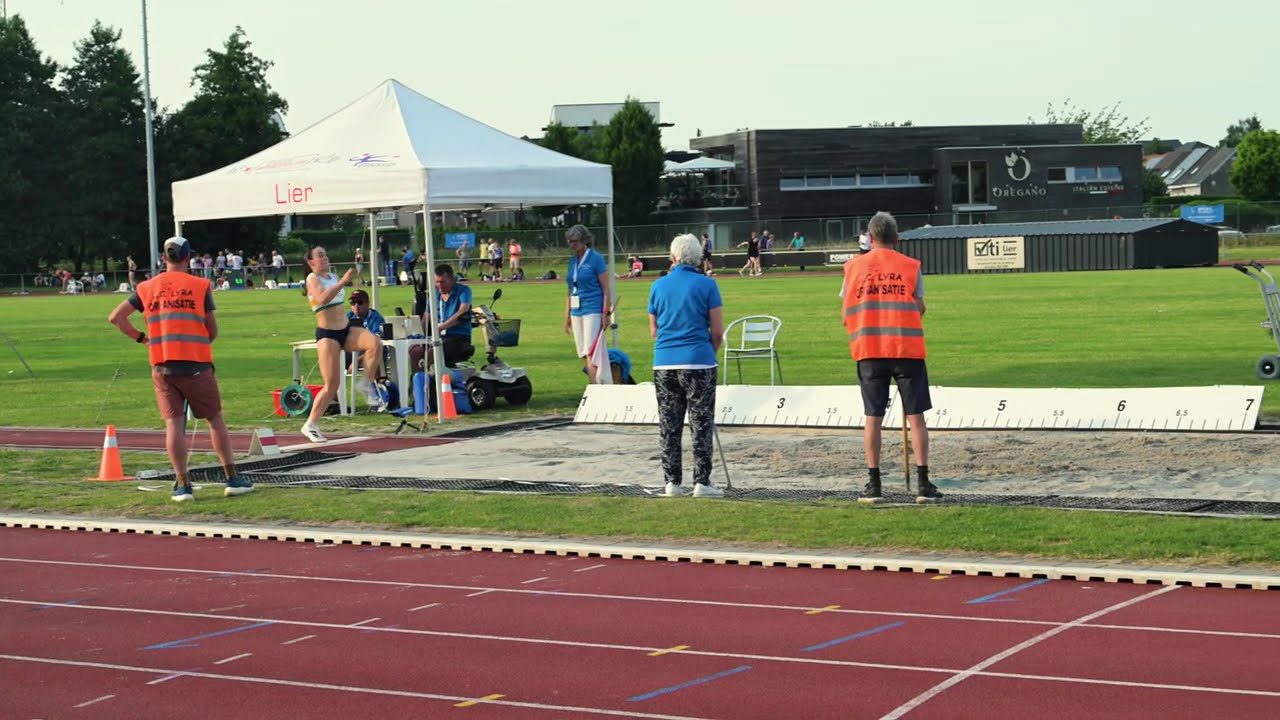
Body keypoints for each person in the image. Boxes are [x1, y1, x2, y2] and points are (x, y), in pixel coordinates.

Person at [107, 236, 253, 502]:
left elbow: (116, 317)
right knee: (215, 421)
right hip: (196, 364)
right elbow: (212, 330)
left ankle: (182, 484)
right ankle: (232, 478)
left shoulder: (146, 287)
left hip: (161, 365)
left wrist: (143, 339)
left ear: (164, 258)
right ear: (188, 257)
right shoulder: (200, 285)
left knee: (174, 425)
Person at [839, 211, 940, 503]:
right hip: (906, 349)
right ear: (896, 238)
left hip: (869, 350)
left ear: (870, 237)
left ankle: (874, 485)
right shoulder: (910, 266)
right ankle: (923, 484)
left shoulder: (853, 268)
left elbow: (846, 312)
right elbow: (920, 307)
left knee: (873, 418)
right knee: (916, 418)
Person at [648, 233, 725, 498]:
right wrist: (708, 353)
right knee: (701, 422)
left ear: (673, 257)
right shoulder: (707, 285)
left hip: (664, 362)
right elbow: (717, 331)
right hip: (698, 359)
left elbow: (654, 330)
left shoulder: (658, 286)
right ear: (698, 258)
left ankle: (672, 481)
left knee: (669, 424)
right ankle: (702, 481)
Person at [300, 245, 385, 443]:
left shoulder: (331, 276)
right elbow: (322, 299)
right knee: (332, 385)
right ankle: (310, 424)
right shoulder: (312, 279)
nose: (325, 258)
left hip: (346, 329)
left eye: (325, 254)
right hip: (328, 334)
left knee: (375, 343)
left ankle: (366, 383)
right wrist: (342, 282)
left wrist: (345, 280)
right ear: (311, 262)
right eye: (320, 256)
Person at [563, 224, 612, 384]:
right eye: (569, 241)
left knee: (591, 350)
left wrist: (606, 313)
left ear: (584, 240)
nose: (572, 245)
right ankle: (593, 383)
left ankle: (595, 386)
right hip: (576, 310)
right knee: (583, 352)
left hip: (592, 308)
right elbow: (569, 289)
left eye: (575, 241)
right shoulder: (572, 261)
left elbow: (606, 288)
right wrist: (567, 316)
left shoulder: (596, 258)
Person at [431, 263, 474, 367]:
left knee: (436, 351)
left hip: (458, 336)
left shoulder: (463, 291)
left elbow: (463, 311)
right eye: (437, 282)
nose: (439, 285)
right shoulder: (434, 293)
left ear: (452, 280)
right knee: (416, 351)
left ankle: (439, 374)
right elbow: (426, 316)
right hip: (438, 335)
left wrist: (441, 327)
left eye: (443, 282)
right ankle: (418, 376)